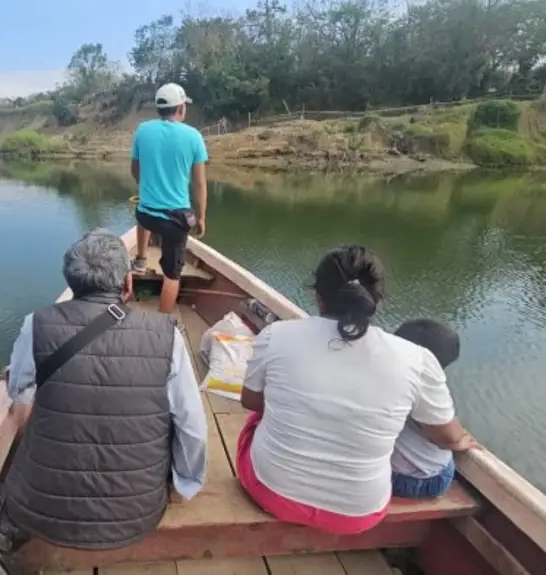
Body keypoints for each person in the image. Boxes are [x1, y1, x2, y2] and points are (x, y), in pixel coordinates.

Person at [0, 229, 207, 572]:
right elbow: (192, 427)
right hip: (136, 514)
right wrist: (185, 484)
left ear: (72, 283)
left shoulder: (36, 324)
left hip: (39, 510)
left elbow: (19, 389)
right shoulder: (167, 336)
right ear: (128, 284)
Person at [236, 245, 477, 535]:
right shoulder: (417, 359)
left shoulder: (276, 336)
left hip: (272, 493)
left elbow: (250, 402)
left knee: (259, 419)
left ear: (317, 297)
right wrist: (459, 439)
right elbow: (447, 436)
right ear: (376, 300)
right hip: (358, 513)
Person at [130, 83, 209, 314]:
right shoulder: (193, 137)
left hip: (146, 214)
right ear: (181, 108)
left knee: (142, 212)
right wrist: (202, 217)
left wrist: (146, 188)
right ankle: (162, 324)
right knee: (172, 276)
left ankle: (141, 258)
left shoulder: (142, 130)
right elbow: (199, 183)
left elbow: (135, 169)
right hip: (175, 222)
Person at [390, 318, 478, 499]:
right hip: (418, 481)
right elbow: (450, 437)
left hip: (382, 472)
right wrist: (457, 441)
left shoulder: (378, 374)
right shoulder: (427, 389)